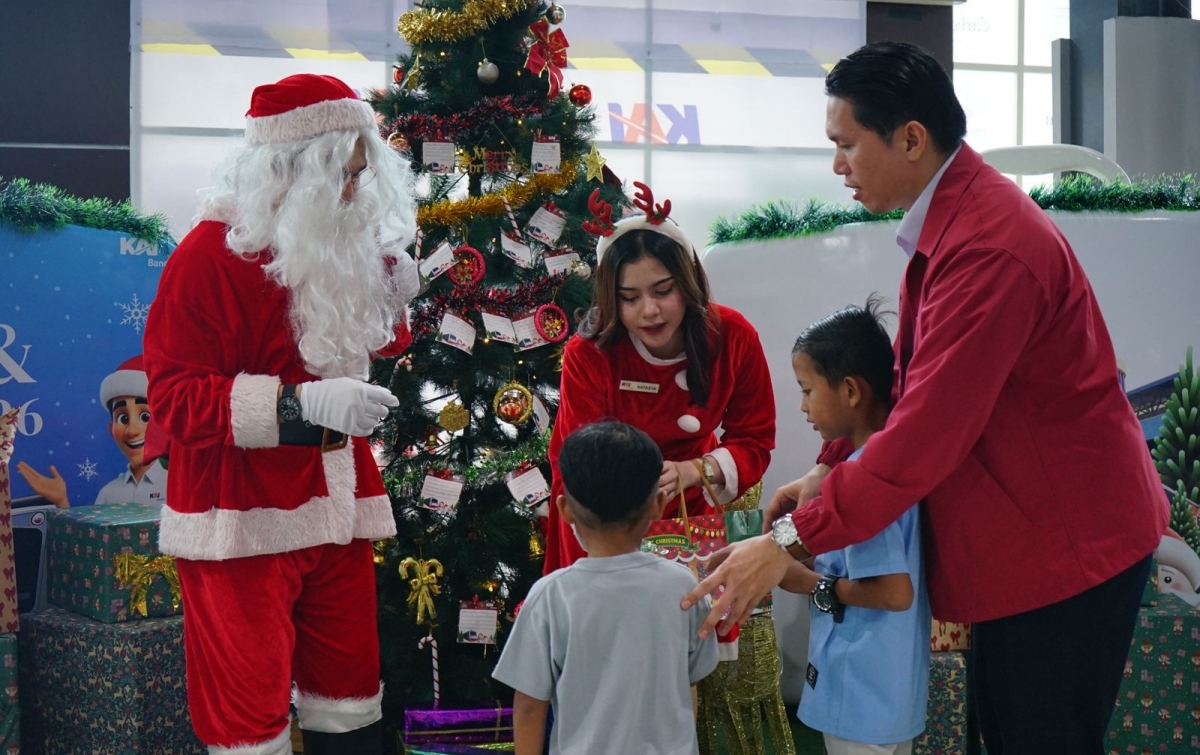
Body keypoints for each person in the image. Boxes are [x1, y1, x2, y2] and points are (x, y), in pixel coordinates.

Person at [682, 42, 1167, 755]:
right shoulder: (956, 219)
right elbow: (912, 385)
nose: (837, 165)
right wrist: (828, 466)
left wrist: (783, 543)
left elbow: (920, 437)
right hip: (1025, 544)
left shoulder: (990, 246)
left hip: (1066, 549)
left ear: (911, 138)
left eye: (847, 144)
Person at [142, 73, 419, 755]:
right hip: (240, 518)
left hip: (336, 505)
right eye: (342, 176)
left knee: (350, 702)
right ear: (294, 170)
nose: (353, 192)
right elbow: (175, 399)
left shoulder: (332, 243)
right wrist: (299, 405)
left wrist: (392, 297)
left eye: (359, 175)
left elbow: (353, 338)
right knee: (249, 722)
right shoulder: (206, 259)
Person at [545, 181, 776, 582]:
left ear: (688, 282)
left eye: (663, 290)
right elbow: (577, 461)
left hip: (693, 514)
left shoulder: (733, 336)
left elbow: (754, 440)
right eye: (629, 298)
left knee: (689, 611)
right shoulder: (591, 351)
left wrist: (697, 470)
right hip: (602, 516)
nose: (649, 311)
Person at [493, 421, 718, 755]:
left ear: (564, 510)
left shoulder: (551, 596)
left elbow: (529, 705)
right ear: (658, 504)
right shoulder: (684, 585)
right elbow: (691, 680)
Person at [778, 299, 929, 755]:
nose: (803, 406)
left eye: (807, 390)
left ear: (849, 391)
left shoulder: (862, 480)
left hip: (859, 689)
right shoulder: (892, 466)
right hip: (891, 692)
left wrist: (811, 585)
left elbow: (893, 592)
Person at [16, 355, 167, 508]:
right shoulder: (109, 494)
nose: (132, 431)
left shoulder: (175, 486)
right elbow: (90, 525)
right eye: (122, 418)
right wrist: (61, 501)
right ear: (111, 430)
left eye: (145, 416)